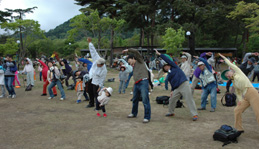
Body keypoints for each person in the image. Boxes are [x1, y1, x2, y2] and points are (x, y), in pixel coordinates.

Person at [219, 53, 259, 136]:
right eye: (226, 75)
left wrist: (224, 58)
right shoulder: (234, 82)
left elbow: (230, 64)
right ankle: (239, 128)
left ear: (231, 71)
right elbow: (238, 92)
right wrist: (240, 100)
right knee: (237, 110)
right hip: (246, 97)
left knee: (257, 113)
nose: (228, 75)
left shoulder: (238, 72)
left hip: (252, 92)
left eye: (228, 73)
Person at [154, 49, 198, 121]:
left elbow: (168, 60)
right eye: (164, 67)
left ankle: (194, 114)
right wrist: (172, 91)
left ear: (168, 65)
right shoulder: (169, 74)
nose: (165, 67)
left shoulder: (175, 67)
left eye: (166, 66)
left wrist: (160, 54)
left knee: (189, 99)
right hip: (177, 88)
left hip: (184, 84)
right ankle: (171, 112)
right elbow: (172, 83)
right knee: (172, 99)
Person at [122, 48, 151, 123]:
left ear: (133, 58)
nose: (129, 63)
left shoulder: (140, 61)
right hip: (137, 83)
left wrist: (128, 50)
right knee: (135, 99)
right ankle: (134, 113)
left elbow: (136, 52)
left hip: (143, 82)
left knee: (145, 100)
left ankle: (147, 117)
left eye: (129, 61)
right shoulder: (134, 66)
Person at [86, 37, 107, 108]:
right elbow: (93, 51)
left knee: (96, 93)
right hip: (92, 77)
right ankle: (91, 103)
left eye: (98, 64)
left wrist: (100, 86)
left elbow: (102, 78)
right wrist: (90, 43)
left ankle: (99, 106)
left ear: (102, 64)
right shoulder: (97, 59)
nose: (97, 64)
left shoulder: (104, 70)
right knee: (89, 90)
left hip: (97, 81)